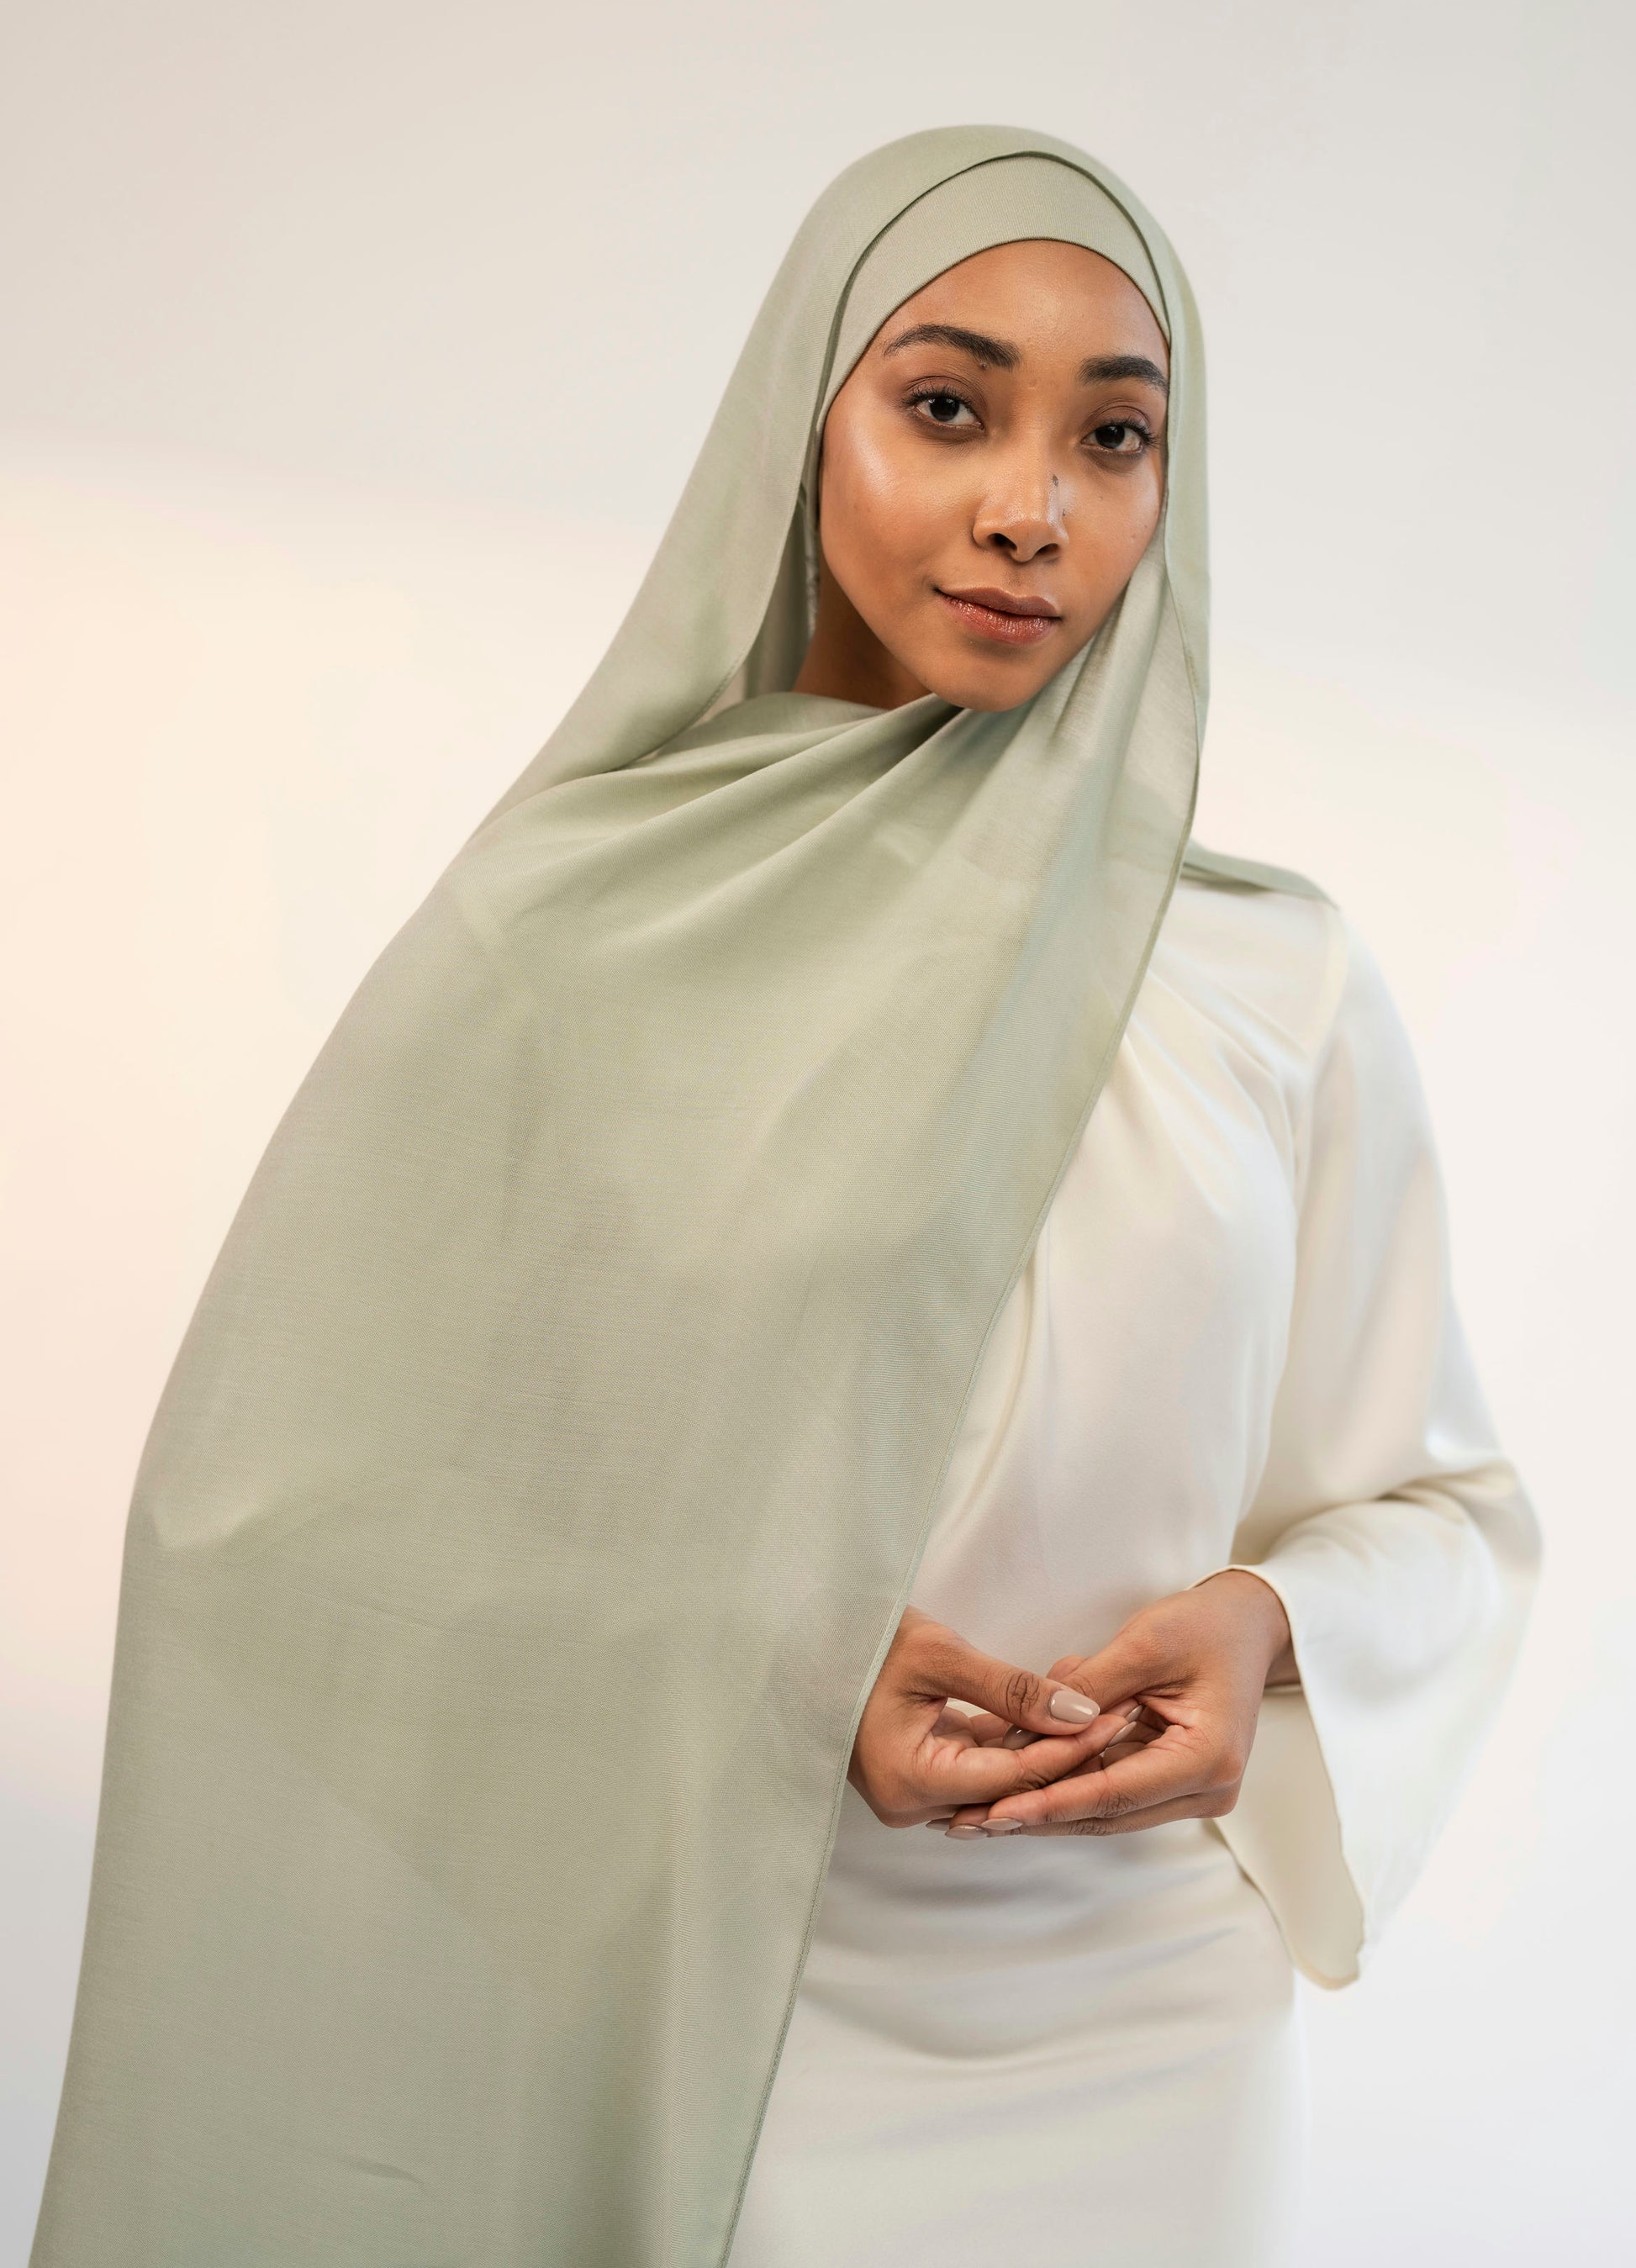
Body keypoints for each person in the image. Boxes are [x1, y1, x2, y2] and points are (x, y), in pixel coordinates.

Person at [31, 129, 1538, 2268]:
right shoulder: (577, 932)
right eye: (950, 408)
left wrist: (1270, 1627)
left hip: (1143, 2030)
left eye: (1114, 437)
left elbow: (1440, 1509)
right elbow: (297, 1520)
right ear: (800, 427)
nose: (1033, 503)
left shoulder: (1265, 978)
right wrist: (779, 1661)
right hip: (728, 2002)